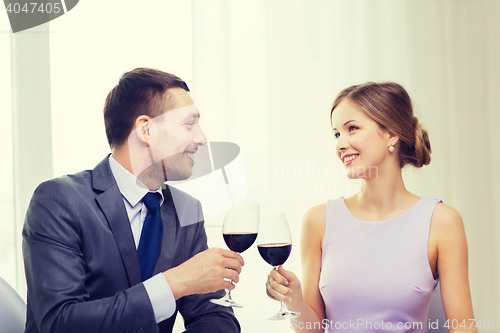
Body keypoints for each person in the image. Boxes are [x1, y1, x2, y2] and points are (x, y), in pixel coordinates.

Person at [23, 68, 243, 333]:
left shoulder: (187, 209)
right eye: (189, 124)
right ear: (146, 130)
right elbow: (60, 322)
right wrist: (174, 283)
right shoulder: (59, 202)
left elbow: (218, 318)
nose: (202, 138)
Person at [266, 82, 477, 332]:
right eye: (336, 134)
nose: (340, 144)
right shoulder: (318, 221)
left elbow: (463, 327)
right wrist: (294, 298)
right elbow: (313, 330)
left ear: (391, 133)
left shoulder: (441, 221)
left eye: (352, 128)